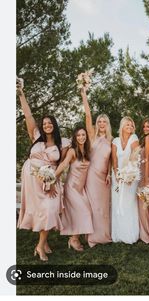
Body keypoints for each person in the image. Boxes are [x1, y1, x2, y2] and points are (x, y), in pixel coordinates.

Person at [17, 86, 70, 261]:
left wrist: (53, 180)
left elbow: (62, 163)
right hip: (32, 176)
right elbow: (28, 115)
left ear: (54, 125)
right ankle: (43, 243)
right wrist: (21, 94)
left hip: (50, 178)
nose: (47, 125)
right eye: (44, 123)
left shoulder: (61, 143)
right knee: (40, 209)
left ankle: (40, 245)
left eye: (50, 123)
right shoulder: (36, 136)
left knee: (50, 207)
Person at [80, 87, 112, 247]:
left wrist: (110, 173)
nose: (101, 123)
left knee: (104, 206)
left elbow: (113, 159)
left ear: (107, 124)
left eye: (104, 121)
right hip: (92, 176)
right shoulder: (91, 136)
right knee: (92, 205)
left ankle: (104, 234)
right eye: (99, 121)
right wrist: (83, 94)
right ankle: (92, 236)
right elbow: (87, 115)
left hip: (104, 176)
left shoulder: (112, 140)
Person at [55, 125, 94, 251]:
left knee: (84, 211)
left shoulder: (87, 151)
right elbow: (64, 164)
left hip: (81, 188)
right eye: (78, 135)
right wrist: (52, 177)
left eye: (83, 135)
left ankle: (74, 237)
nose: (81, 137)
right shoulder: (72, 151)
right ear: (75, 137)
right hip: (71, 187)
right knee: (84, 211)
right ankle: (73, 239)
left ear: (86, 136)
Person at [111, 116, 140, 244]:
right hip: (117, 176)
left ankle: (129, 235)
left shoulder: (134, 139)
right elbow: (114, 160)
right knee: (117, 203)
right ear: (122, 126)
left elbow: (135, 157)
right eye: (127, 125)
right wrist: (117, 174)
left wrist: (129, 174)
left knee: (129, 203)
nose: (130, 127)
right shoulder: (115, 141)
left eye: (131, 125)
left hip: (130, 176)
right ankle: (118, 234)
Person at [138, 117, 149, 244]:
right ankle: (147, 231)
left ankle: (147, 234)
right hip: (143, 170)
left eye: (148, 126)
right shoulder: (147, 138)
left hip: (145, 172)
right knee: (146, 203)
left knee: (144, 203)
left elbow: (148, 159)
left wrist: (146, 177)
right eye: (144, 126)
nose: (145, 128)